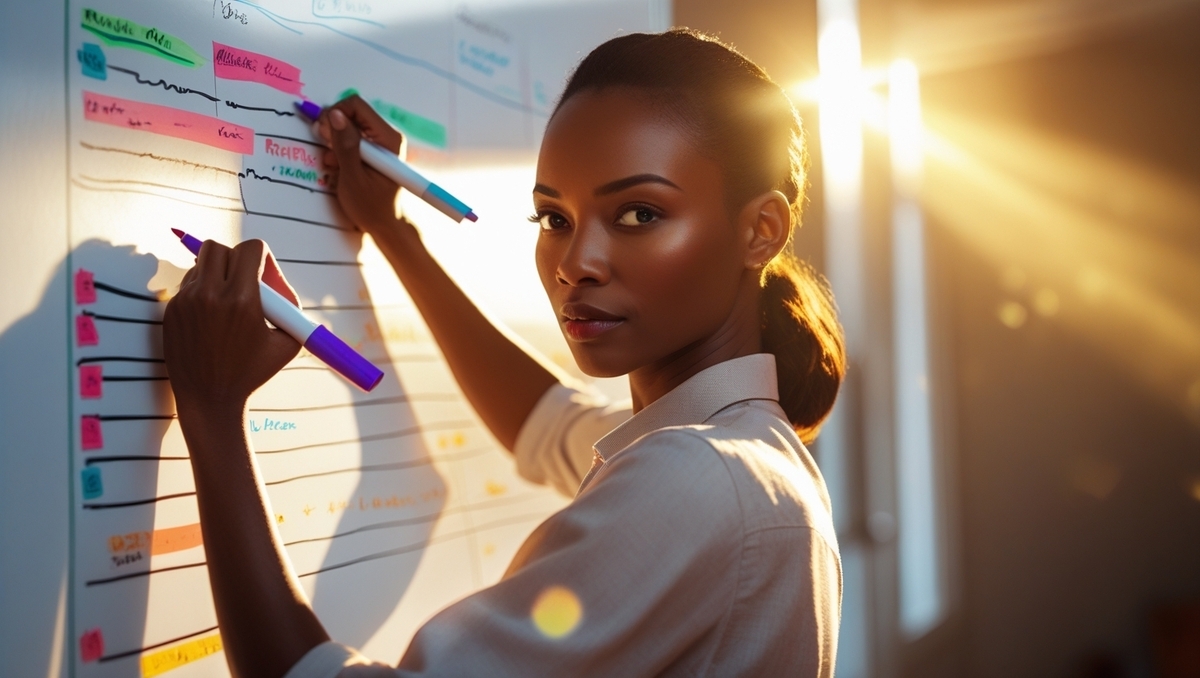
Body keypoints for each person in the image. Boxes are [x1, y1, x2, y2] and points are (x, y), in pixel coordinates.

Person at [163, 29, 846, 677]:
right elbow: (544, 422)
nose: (575, 263)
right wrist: (392, 232)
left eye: (639, 214)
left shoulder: (697, 478)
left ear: (760, 231)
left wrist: (214, 409)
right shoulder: (746, 454)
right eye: (554, 218)